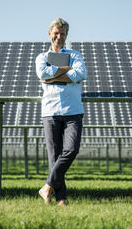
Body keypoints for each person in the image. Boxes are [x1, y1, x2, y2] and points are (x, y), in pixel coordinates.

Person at [35, 18, 87, 206]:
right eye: (56, 33)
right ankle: (61, 199)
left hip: (73, 110)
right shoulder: (42, 57)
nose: (59, 37)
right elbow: (42, 74)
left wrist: (54, 73)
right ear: (50, 34)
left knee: (71, 150)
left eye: (62, 33)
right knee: (54, 157)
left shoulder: (75, 55)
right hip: (50, 111)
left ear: (66, 35)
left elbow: (81, 73)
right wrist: (67, 73)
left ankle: (46, 187)